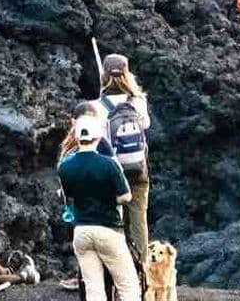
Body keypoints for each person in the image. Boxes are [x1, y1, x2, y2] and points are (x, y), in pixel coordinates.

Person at [59, 114, 140, 301]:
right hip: (108, 229)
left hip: (81, 231)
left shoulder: (65, 166)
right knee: (128, 287)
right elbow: (126, 196)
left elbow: (68, 195)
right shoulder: (109, 164)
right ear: (98, 137)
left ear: (77, 137)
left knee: (93, 289)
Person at [91, 53, 153, 284]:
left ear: (104, 76)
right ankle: (143, 271)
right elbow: (145, 126)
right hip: (138, 170)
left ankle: (114, 273)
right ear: (128, 75)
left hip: (110, 172)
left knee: (112, 221)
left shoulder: (97, 106)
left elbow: (97, 138)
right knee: (138, 219)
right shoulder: (139, 102)